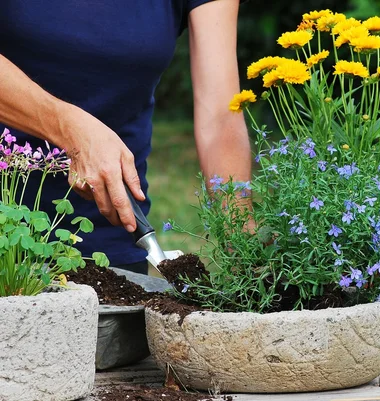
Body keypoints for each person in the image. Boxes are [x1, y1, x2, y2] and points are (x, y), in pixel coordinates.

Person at [0, 0, 251, 274]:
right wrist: (68, 127)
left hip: (109, 243)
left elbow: (221, 116)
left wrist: (242, 243)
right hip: (7, 227)